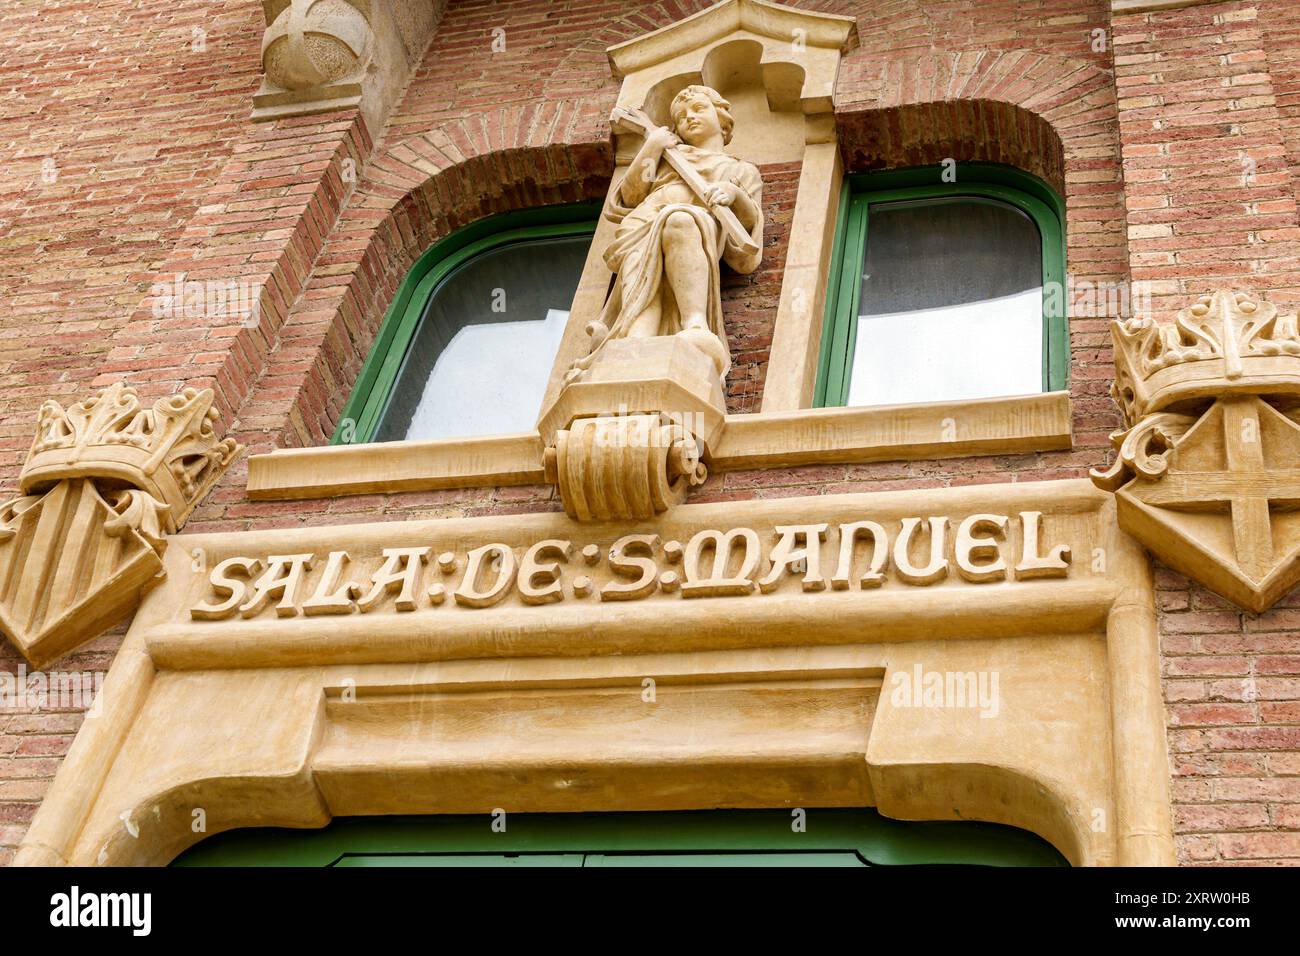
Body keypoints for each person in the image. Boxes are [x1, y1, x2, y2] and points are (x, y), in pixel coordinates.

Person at [571, 84, 764, 381]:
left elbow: (745, 240)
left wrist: (734, 195)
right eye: (682, 115)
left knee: (680, 220)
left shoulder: (740, 170)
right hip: (642, 225)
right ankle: (634, 340)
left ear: (722, 117)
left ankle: (695, 324)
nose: (690, 117)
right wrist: (653, 145)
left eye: (699, 109)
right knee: (643, 283)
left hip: (690, 228)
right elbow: (631, 195)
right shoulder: (667, 157)